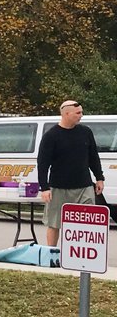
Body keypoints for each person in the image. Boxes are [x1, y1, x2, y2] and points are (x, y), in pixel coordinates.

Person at [36, 100, 105, 247]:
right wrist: (45, 188)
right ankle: (51, 252)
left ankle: (80, 253)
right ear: (66, 114)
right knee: (54, 223)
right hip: (59, 187)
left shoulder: (85, 132)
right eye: (78, 113)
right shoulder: (51, 136)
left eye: (81, 112)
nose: (81, 115)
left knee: (86, 221)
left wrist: (99, 177)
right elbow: (43, 163)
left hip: (84, 186)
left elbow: (93, 156)